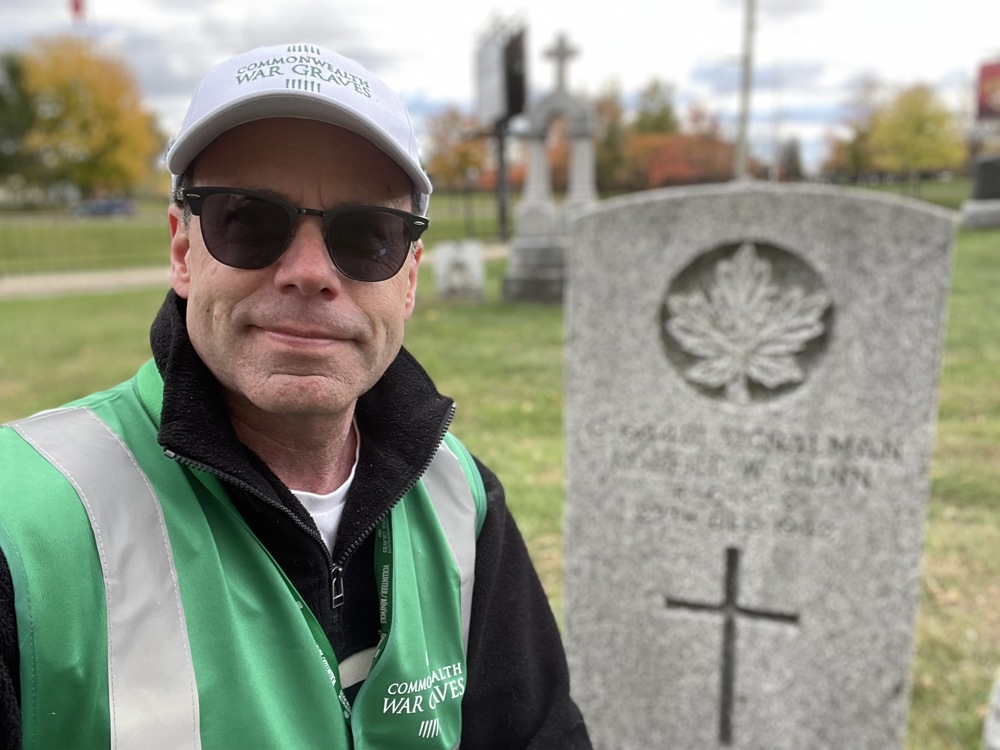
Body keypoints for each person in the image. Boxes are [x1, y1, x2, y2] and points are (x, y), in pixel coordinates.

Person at [0, 43, 591, 749]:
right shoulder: (21, 529)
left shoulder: (460, 498)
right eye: (248, 219)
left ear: (408, 279)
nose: (309, 272)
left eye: (368, 234)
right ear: (183, 251)